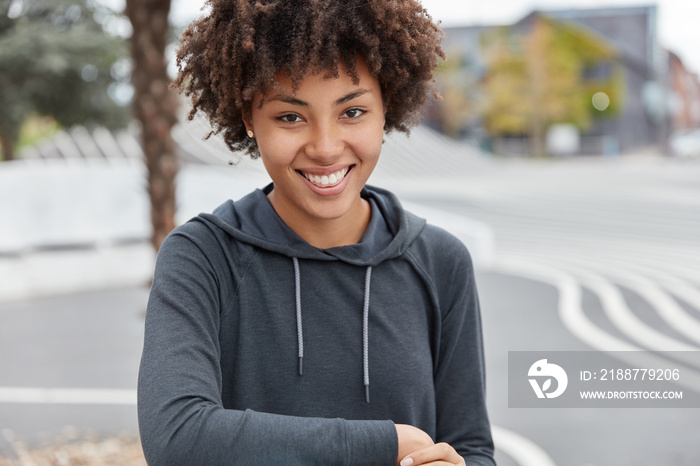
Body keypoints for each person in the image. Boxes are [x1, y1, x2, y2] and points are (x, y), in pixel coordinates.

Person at [137, 0, 495, 465]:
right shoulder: (202, 257)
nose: (326, 148)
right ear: (249, 118)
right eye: (290, 116)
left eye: (352, 112)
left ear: (386, 106)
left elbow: (471, 448)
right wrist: (385, 444)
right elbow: (177, 438)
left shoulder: (440, 261)